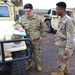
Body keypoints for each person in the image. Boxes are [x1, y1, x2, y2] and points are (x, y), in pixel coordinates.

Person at [14, 3, 46, 72]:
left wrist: (42, 36)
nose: (27, 13)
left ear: (32, 10)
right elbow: (17, 24)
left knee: (36, 53)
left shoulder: (38, 18)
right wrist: (19, 27)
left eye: (29, 11)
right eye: (26, 11)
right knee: (28, 52)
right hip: (27, 40)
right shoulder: (22, 18)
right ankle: (29, 63)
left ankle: (37, 64)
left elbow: (44, 27)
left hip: (36, 40)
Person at [51, 2, 75, 75]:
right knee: (64, 58)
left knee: (61, 58)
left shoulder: (68, 20)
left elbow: (71, 36)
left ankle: (60, 72)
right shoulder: (61, 18)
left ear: (62, 9)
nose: (56, 11)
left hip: (66, 44)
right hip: (62, 43)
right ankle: (66, 69)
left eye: (57, 9)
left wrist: (68, 48)